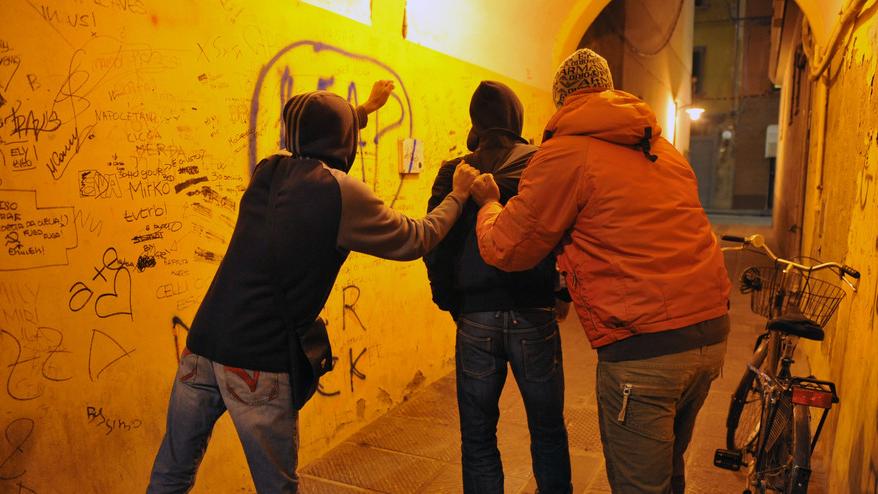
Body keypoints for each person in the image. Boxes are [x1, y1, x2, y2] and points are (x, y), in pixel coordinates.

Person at [147, 81, 480, 493]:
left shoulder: (266, 170)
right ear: (343, 141)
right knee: (277, 487)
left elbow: (314, 131)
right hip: (258, 360)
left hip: (202, 346)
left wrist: (365, 110)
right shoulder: (342, 192)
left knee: (172, 472)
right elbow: (416, 238)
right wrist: (458, 195)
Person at [467, 49, 732, 494]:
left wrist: (488, 203)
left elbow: (506, 246)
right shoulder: (662, 150)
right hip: (710, 335)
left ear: (561, 100)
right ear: (608, 89)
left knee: (638, 484)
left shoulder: (565, 155)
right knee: (668, 472)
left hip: (646, 349)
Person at [424, 81, 572, 494]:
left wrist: (450, 301)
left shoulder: (455, 173)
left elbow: (436, 244)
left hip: (475, 316)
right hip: (534, 311)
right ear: (515, 120)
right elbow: (563, 228)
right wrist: (562, 291)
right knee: (548, 431)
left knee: (477, 437)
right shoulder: (538, 165)